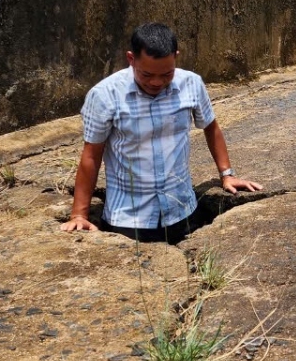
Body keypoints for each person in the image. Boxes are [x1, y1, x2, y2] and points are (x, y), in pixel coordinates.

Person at [61, 23, 261, 243]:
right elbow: (91, 155)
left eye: (167, 74)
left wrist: (227, 174)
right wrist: (79, 214)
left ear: (176, 57)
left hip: (182, 210)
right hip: (128, 220)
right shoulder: (104, 95)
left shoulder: (191, 84)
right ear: (131, 59)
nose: (156, 82)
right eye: (146, 74)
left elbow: (211, 128)